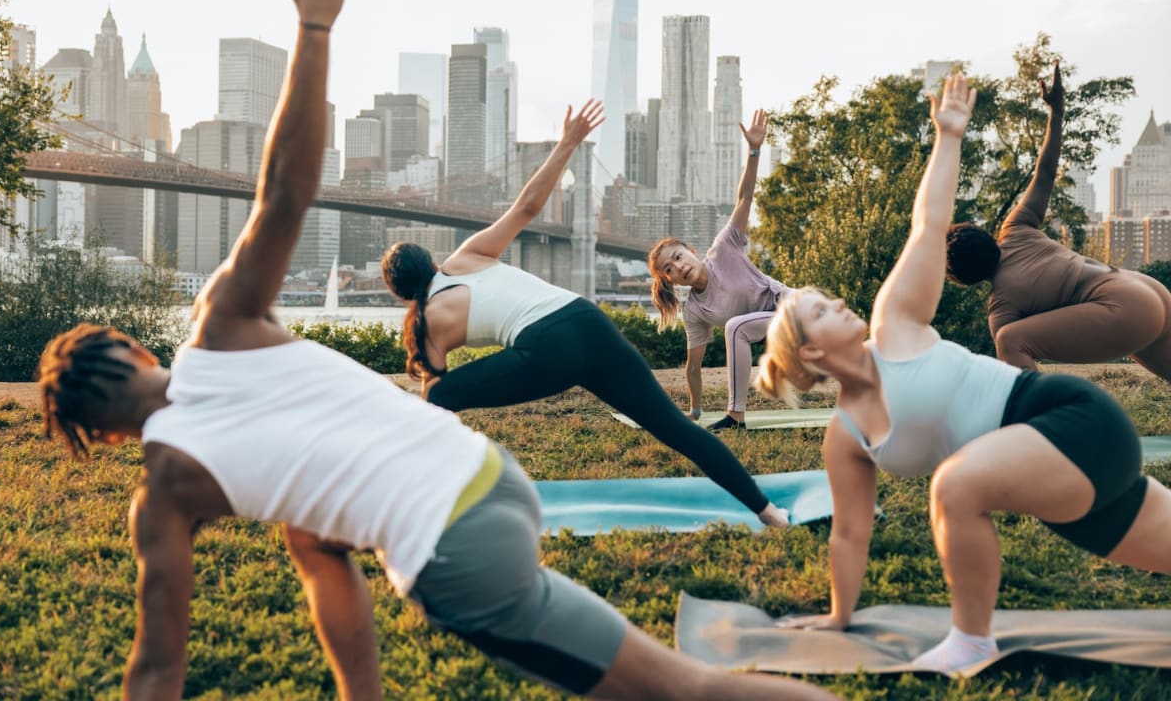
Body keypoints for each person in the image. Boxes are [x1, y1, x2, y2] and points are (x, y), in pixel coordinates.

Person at [37, 0, 838, 700]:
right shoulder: (226, 328)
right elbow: (289, 192)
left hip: (457, 542)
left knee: (673, 681)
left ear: (99, 434)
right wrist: (315, 25)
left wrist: (430, 377)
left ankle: (752, 519)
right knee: (328, 524)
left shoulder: (169, 493)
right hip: (496, 472)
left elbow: (154, 671)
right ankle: (765, 508)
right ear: (137, 351)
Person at [755, 73, 1171, 673]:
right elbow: (848, 534)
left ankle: (971, 642)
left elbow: (929, 226)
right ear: (811, 354)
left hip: (1068, 419)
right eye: (821, 310)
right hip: (1065, 479)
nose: (840, 305)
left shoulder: (894, 324)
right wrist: (839, 616)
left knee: (951, 486)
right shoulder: (846, 437)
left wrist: (948, 136)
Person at [380, 104, 788, 529]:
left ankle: (457, 498)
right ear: (430, 261)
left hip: (548, 349)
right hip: (587, 321)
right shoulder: (466, 257)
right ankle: (768, 512)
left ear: (402, 294)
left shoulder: (426, 325)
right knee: (674, 428)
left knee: (437, 398)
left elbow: (434, 406)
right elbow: (526, 208)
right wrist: (568, 143)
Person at [945, 61, 1171, 380]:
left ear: (963, 279)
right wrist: (1057, 112)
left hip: (1125, 309)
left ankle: (1041, 421)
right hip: (1145, 288)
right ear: (984, 235)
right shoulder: (1016, 228)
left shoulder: (1002, 310)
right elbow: (1046, 172)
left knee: (1010, 340)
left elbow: (1010, 360)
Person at [647, 109, 791, 431]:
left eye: (679, 256)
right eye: (669, 269)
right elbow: (693, 368)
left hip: (792, 307)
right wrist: (695, 412)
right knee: (737, 328)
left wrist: (754, 151)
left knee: (851, 338)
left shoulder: (724, 247)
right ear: (670, 281)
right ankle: (735, 417)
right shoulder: (695, 311)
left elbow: (744, 198)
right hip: (773, 328)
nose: (678, 266)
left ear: (691, 251)